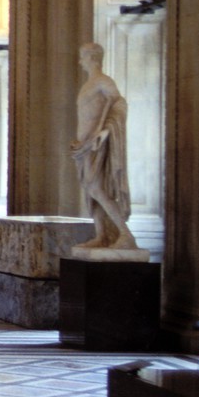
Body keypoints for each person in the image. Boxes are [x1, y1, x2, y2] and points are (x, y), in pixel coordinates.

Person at [70, 43, 137, 249]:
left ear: (92, 58)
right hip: (83, 146)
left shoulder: (103, 81)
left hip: (95, 144)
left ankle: (126, 235)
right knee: (91, 191)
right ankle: (103, 235)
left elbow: (119, 103)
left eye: (83, 57)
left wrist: (105, 131)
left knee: (97, 188)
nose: (80, 62)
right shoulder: (89, 83)